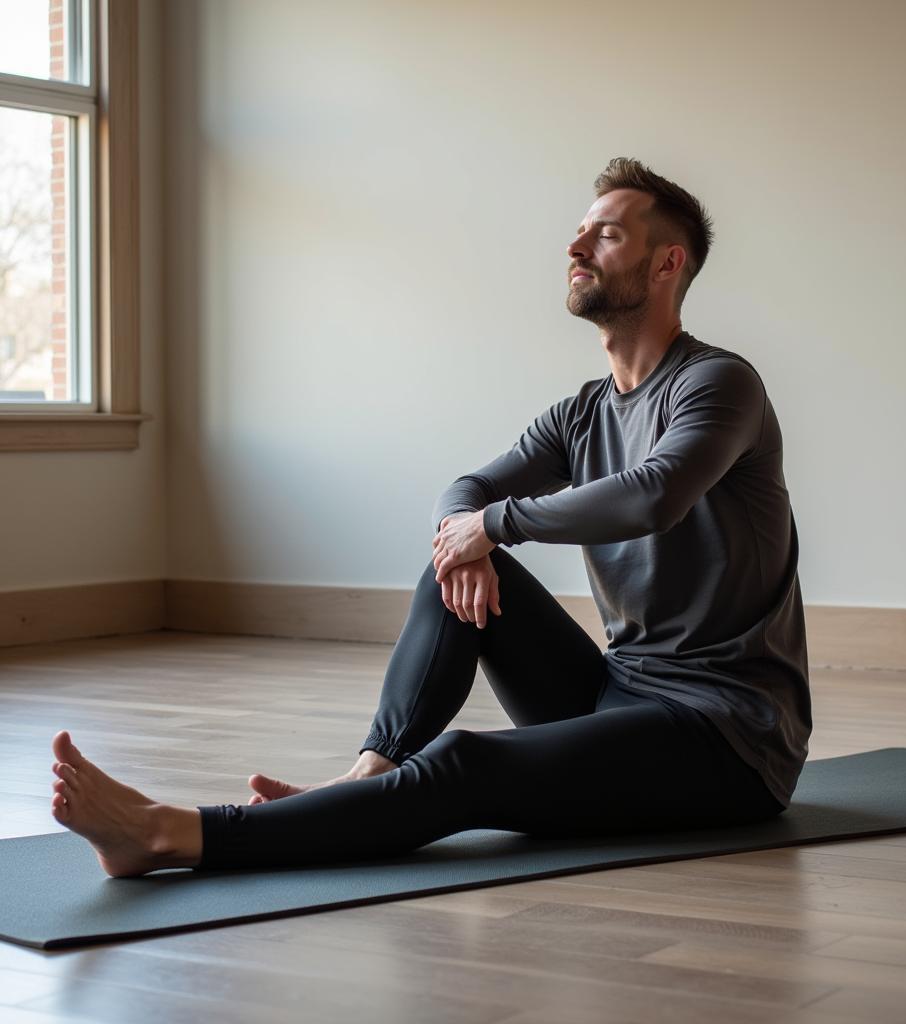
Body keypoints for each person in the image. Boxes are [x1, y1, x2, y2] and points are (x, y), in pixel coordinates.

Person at [48, 157, 811, 878]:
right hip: (622, 693)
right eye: (580, 230)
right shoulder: (582, 412)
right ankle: (367, 771)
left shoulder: (718, 384)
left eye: (606, 234)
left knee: (464, 763)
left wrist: (494, 524)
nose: (574, 245)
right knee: (453, 565)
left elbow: (653, 495)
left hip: (729, 736)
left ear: (667, 264)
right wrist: (470, 539)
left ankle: (164, 833)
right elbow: (467, 488)